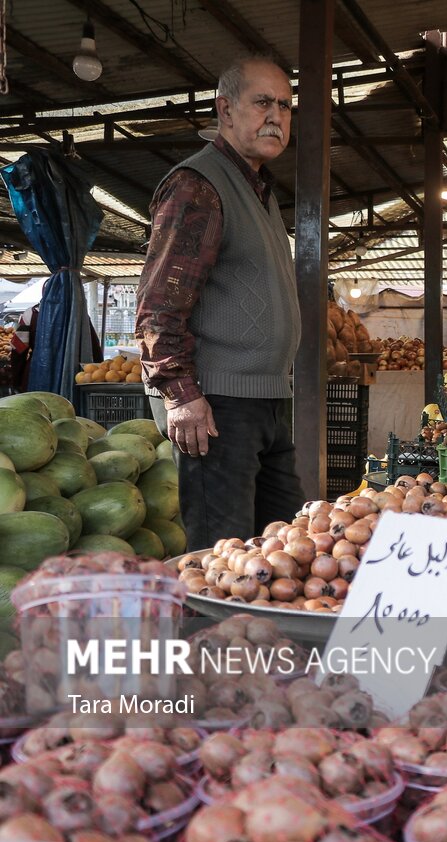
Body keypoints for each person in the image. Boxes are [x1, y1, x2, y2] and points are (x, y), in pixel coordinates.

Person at [135, 56, 303, 551]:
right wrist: (180, 394)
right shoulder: (199, 185)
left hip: (268, 402)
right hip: (218, 407)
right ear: (225, 110)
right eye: (263, 102)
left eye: (286, 106)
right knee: (220, 557)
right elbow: (158, 304)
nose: (276, 115)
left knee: (282, 552)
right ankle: (206, 633)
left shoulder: (261, 193)